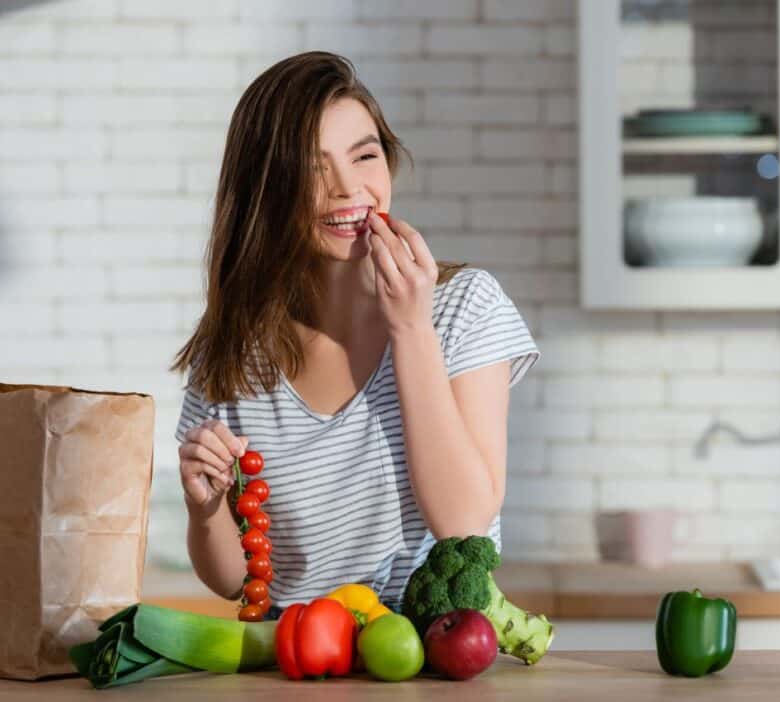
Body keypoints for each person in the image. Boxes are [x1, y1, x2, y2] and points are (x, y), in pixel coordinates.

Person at [170, 51, 540, 620]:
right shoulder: (235, 359)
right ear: (266, 191)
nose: (348, 188)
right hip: (295, 664)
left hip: (429, 660)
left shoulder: (463, 307)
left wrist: (411, 327)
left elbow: (464, 524)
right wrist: (205, 508)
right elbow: (234, 580)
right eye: (314, 170)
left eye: (364, 156)